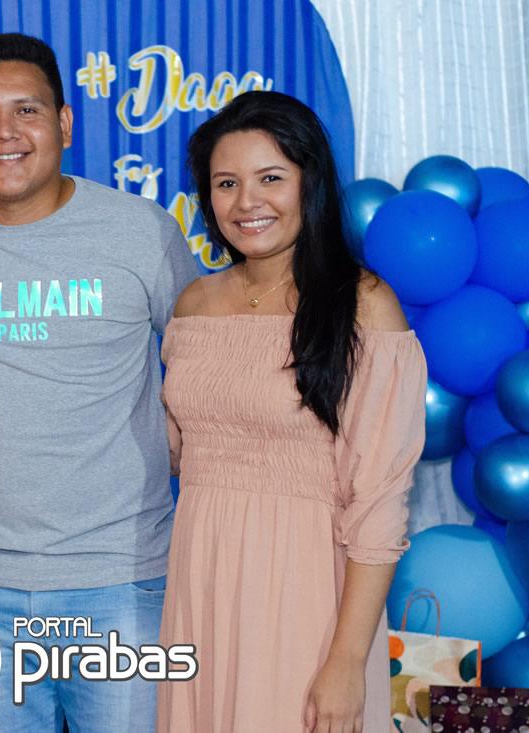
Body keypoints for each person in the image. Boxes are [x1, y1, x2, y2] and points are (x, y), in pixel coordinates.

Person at [0, 32, 199, 732]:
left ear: (64, 123)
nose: (4, 132)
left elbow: (206, 364)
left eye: (25, 110)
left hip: (122, 581)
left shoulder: (140, 231)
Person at [156, 91, 426, 732]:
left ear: (311, 182)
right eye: (226, 183)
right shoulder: (194, 304)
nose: (247, 202)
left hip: (306, 596)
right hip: (200, 584)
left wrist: (347, 661)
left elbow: (378, 506)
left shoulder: (363, 304)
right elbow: (178, 451)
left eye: (271, 178)